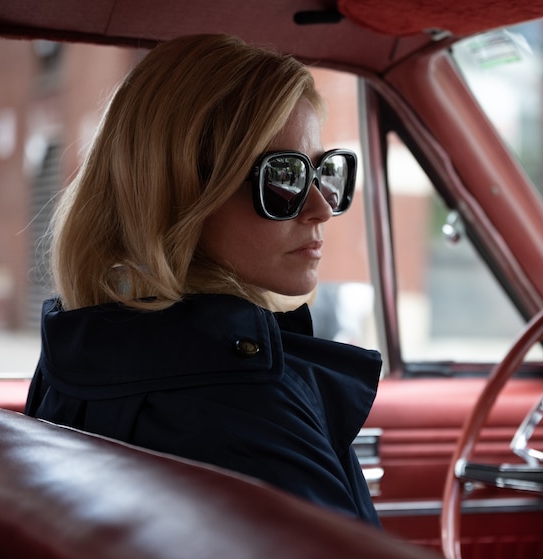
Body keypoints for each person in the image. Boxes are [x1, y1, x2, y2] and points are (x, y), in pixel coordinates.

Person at [24, 34, 382, 527]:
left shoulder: (72, 357)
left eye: (324, 172)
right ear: (183, 194)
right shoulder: (250, 405)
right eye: (284, 178)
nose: (321, 208)